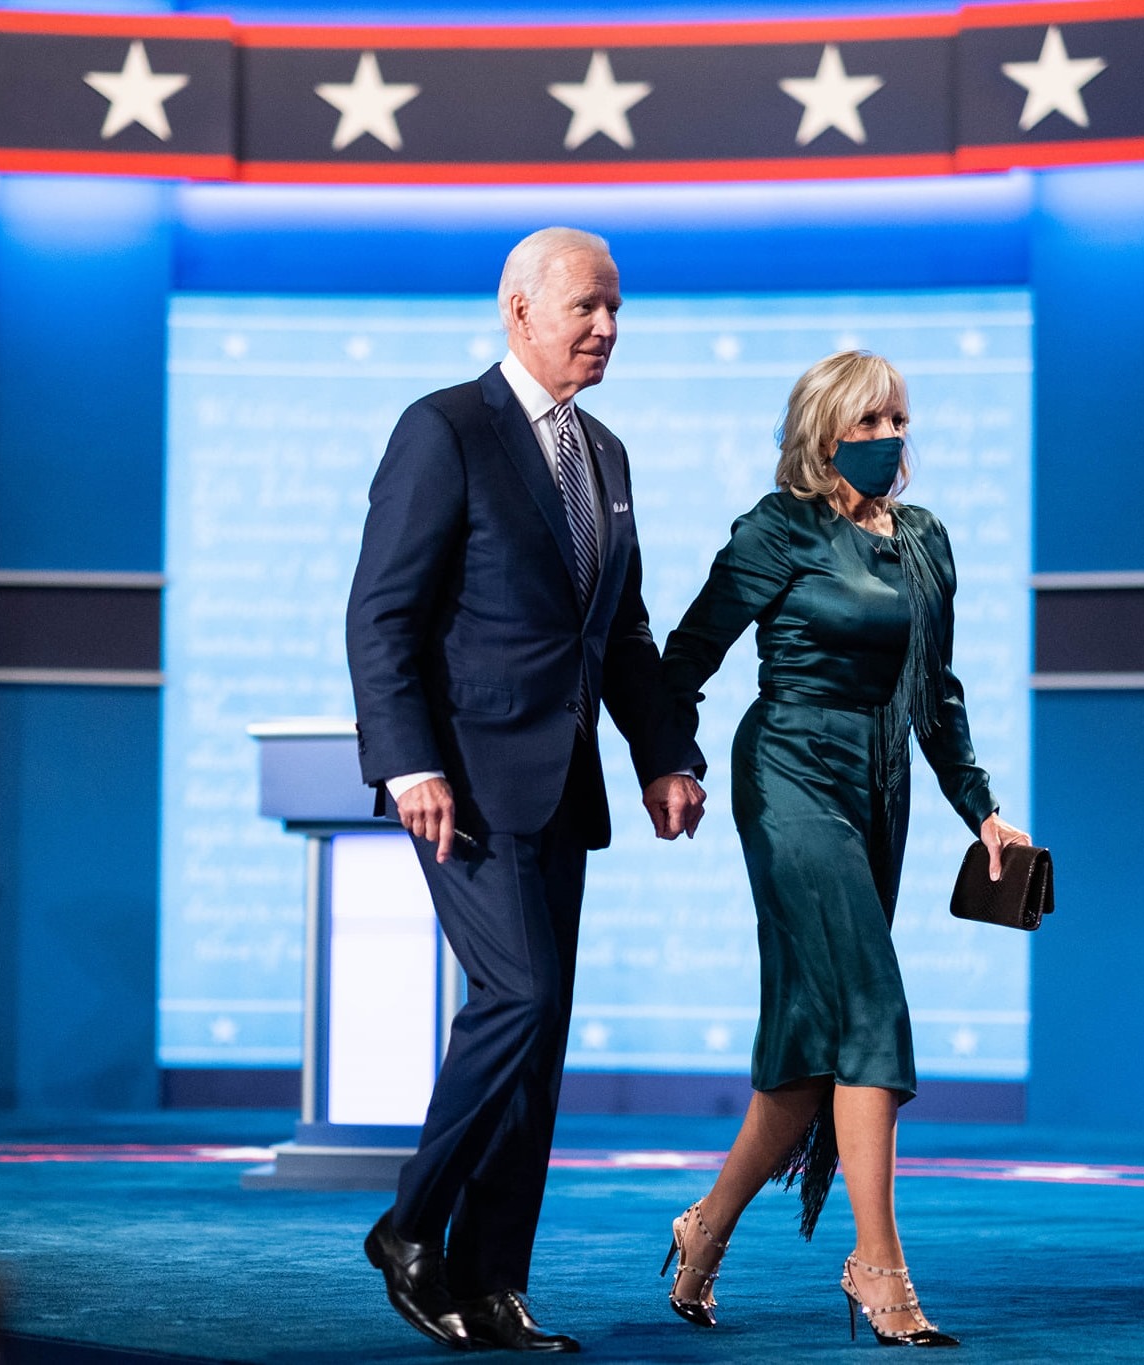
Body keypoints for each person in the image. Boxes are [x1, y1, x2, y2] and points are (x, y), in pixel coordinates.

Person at [346, 226, 706, 1353]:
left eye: (616, 308)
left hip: (564, 790)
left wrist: (665, 754)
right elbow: (382, 613)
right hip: (461, 785)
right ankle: (411, 1229)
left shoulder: (606, 452)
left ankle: (494, 1279)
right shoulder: (445, 428)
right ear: (520, 310)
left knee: (538, 1040)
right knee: (521, 997)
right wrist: (408, 761)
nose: (606, 327)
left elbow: (622, 630)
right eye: (586, 306)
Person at [656, 350, 1030, 1348]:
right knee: (869, 1004)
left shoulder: (926, 540)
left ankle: (705, 1228)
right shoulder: (778, 528)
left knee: (808, 1053)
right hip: (788, 773)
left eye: (897, 419)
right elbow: (688, 653)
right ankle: (878, 1267)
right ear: (822, 433)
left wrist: (983, 810)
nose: (887, 438)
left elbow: (933, 693)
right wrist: (671, 762)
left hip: (879, 785)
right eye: (866, 422)